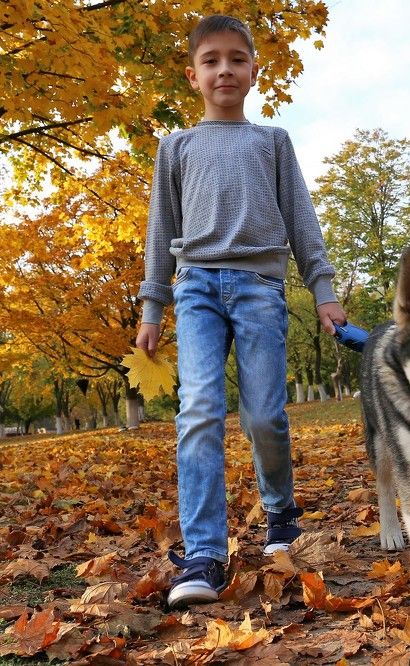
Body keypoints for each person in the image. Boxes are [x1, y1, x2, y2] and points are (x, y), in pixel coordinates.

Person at [134, 14, 346, 609]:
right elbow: (160, 231)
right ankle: (203, 554)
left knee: (264, 416)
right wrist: (153, 307)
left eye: (236, 59)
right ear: (193, 74)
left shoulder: (271, 142)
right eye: (211, 60)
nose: (224, 69)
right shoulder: (175, 148)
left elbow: (301, 219)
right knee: (199, 409)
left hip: (259, 288)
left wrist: (323, 290)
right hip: (195, 287)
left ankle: (280, 513)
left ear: (254, 71)